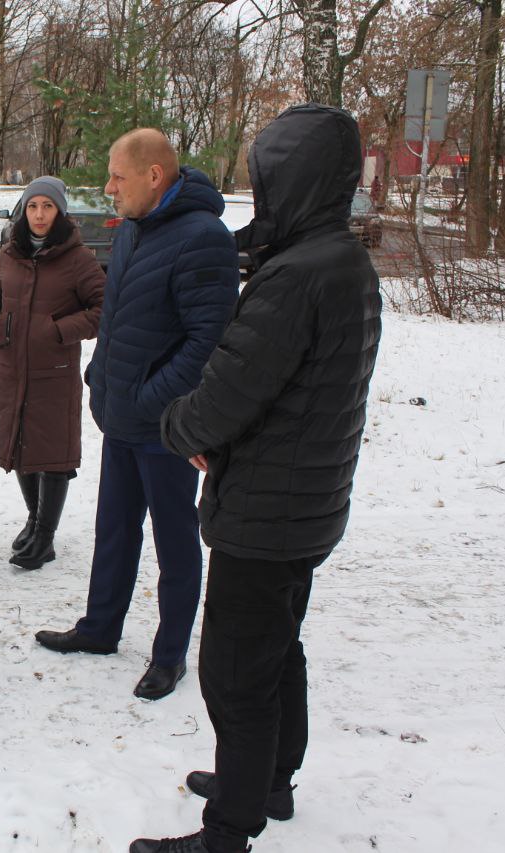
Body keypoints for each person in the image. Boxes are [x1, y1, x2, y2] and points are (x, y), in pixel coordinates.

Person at [129, 104, 382, 853]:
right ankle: (268, 779)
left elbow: (228, 392)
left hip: (268, 510)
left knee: (236, 672)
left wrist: (179, 427)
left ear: (296, 182)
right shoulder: (341, 261)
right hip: (306, 501)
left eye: (267, 182)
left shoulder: (297, 278)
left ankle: (229, 829)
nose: (259, 195)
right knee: (279, 648)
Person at [34, 129, 239, 701]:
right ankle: (100, 628)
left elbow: (208, 343)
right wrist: (101, 379)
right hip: (122, 417)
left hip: (168, 428)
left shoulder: (204, 239)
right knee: (114, 531)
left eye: (118, 177)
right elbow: (119, 317)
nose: (108, 188)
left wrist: (152, 400)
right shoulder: (134, 232)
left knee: (175, 544)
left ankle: (169, 655)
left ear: (154, 175)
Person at [0, 176, 104, 569]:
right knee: (20, 446)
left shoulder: (78, 259)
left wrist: (60, 331)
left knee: (53, 455)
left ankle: (45, 537)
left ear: (60, 211)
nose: (40, 214)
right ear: (23, 211)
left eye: (48, 206)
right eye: (33, 206)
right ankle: (34, 520)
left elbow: (104, 309)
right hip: (10, 369)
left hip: (54, 372)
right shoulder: (9, 254)